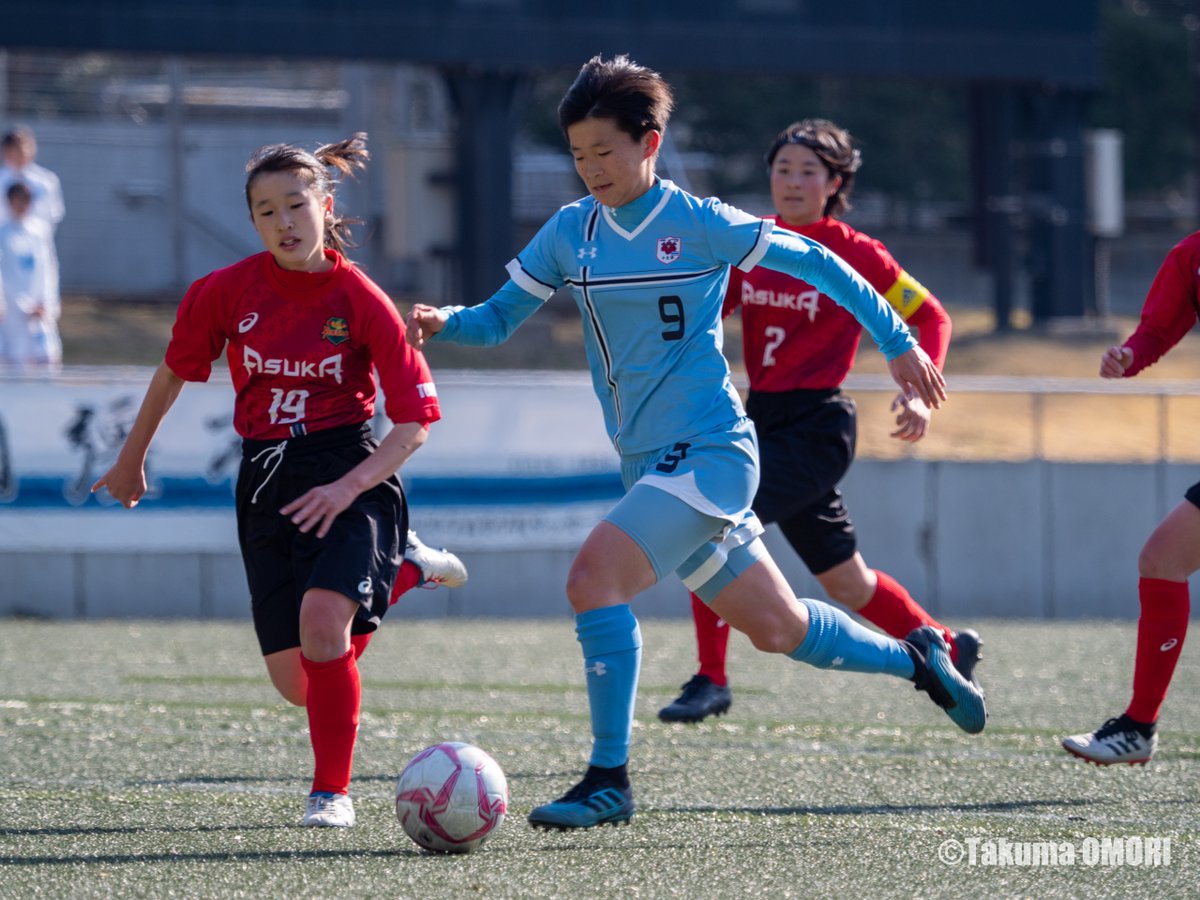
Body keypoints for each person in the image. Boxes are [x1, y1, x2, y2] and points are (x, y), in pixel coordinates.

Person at [407, 55, 986, 833]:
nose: (590, 170)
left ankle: (608, 780)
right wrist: (447, 321)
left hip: (713, 452)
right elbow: (499, 317)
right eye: (578, 155)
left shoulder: (699, 221)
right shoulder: (570, 231)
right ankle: (919, 658)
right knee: (781, 630)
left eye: (604, 152)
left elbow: (819, 260)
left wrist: (897, 340)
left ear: (649, 143)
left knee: (592, 580)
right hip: (647, 463)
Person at [91, 133, 466, 828]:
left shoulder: (361, 299)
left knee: (325, 627)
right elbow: (175, 369)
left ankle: (331, 794)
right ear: (254, 222)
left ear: (326, 205)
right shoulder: (224, 293)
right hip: (264, 481)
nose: (283, 222)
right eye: (266, 211)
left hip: (347, 471)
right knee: (300, 683)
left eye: (296, 204)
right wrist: (130, 456)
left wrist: (348, 488)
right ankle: (407, 572)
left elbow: (413, 424)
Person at [659, 119, 982, 724]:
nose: (793, 182)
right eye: (783, 169)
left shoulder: (858, 252)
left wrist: (918, 388)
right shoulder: (752, 244)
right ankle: (947, 644)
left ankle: (711, 678)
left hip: (818, 427)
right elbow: (706, 315)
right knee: (848, 584)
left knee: (711, 522)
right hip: (760, 421)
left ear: (835, 182)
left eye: (809, 171)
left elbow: (932, 317)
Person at [1061, 229, 1200, 766]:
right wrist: (1129, 355)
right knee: (1162, 561)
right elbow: (1160, 328)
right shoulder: (1191, 256)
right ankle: (1138, 728)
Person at [0, 181, 62, 374]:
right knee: (12, 364)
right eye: (16, 200)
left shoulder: (39, 231)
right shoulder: (3, 232)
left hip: (38, 309)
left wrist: (46, 303)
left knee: (45, 360)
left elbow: (48, 270)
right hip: (10, 311)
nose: (21, 205)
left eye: (25, 200)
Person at [0, 127, 65, 230]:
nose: (19, 153)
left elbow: (53, 215)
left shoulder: (46, 180)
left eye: (23, 147)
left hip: (35, 240)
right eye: (13, 148)